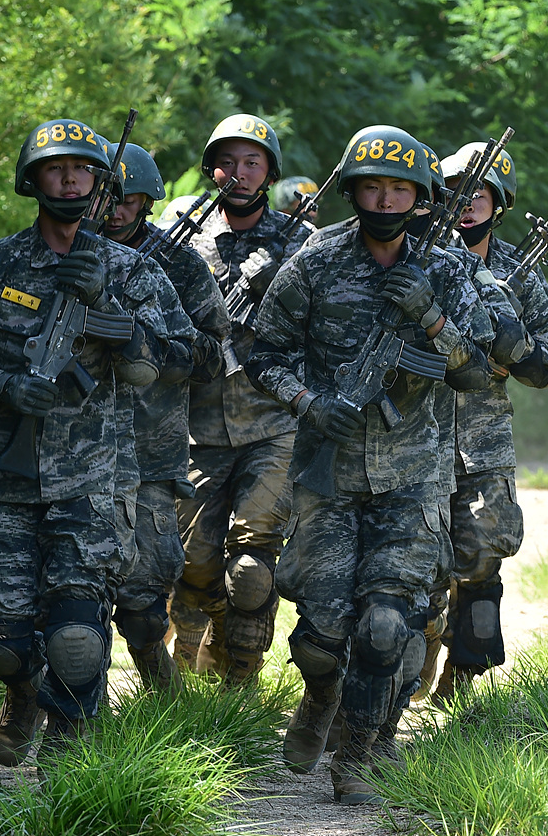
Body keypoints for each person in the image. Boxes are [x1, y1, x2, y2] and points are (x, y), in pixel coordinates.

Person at [0, 118, 185, 766]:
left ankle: (69, 771)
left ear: (102, 183)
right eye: (56, 169)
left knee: (77, 635)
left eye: (82, 170)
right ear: (34, 179)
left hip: (96, 476)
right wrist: (6, 383)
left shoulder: (132, 271)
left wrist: (119, 325)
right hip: (5, 473)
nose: (70, 180)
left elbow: (182, 356)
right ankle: (21, 694)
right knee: (4, 638)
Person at [247, 125, 491, 804]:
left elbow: (475, 374)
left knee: (387, 624)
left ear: (419, 196)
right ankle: (321, 696)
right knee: (322, 637)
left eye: (399, 188)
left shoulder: (445, 269)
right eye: (373, 186)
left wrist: (433, 320)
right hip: (329, 472)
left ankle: (359, 751)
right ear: (354, 190)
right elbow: (264, 352)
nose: (385, 198)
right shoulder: (315, 264)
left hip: (412, 476)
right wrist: (307, 400)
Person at [417, 141, 548, 705]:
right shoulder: (419, 256)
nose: (468, 202)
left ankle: (463, 671)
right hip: (414, 434)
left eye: (481, 192)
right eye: (456, 191)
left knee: (482, 553)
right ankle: (419, 648)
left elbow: (543, 367)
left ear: (499, 203)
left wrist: (509, 338)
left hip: (482, 440)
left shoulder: (518, 275)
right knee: (416, 559)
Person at [172, 113, 313, 684]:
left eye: (252, 161)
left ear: (268, 171)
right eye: (227, 161)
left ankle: (241, 679)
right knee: (195, 562)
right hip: (195, 424)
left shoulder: (301, 242)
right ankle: (194, 645)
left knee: (253, 565)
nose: (239, 171)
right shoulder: (180, 235)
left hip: (273, 421)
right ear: (212, 168)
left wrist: (278, 279)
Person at [101, 143, 230, 691]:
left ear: (148, 201)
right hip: (61, 446)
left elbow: (212, 351)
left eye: (129, 199)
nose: (116, 209)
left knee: (146, 593)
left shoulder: (178, 263)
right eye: (107, 196)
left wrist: (145, 343)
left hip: (149, 448)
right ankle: (69, 706)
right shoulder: (60, 252)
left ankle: (161, 690)